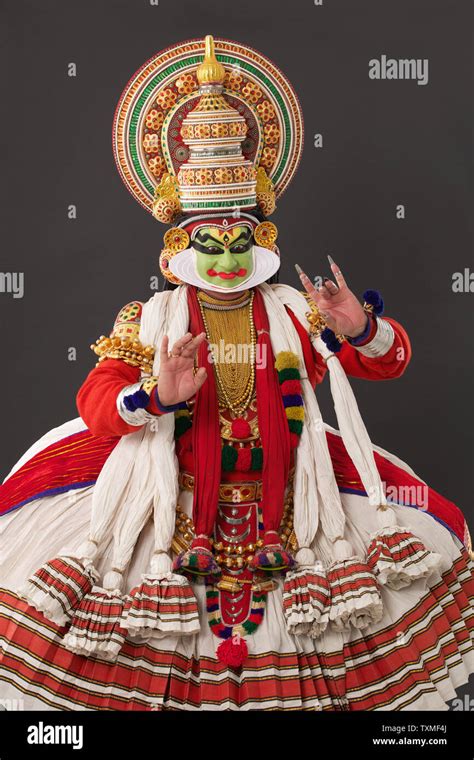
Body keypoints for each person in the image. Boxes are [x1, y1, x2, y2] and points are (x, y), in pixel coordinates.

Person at [0, 35, 472, 711]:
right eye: (208, 241)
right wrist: (155, 395)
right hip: (173, 508)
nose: (225, 257)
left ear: (262, 239)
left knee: (427, 544)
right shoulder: (152, 319)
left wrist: (357, 327)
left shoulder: (294, 314)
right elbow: (100, 404)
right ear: (178, 243)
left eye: (239, 238)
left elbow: (390, 362)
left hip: (292, 508)